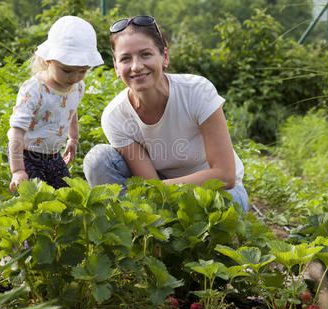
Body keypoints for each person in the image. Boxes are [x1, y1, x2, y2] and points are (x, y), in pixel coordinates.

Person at [82, 15, 249, 211]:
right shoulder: (116, 116)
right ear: (117, 67)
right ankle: (135, 229)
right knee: (99, 159)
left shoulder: (196, 91)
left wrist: (159, 190)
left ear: (165, 57)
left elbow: (225, 175)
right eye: (126, 58)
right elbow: (151, 184)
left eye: (146, 54)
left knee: (224, 207)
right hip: (164, 188)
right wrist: (157, 193)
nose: (136, 66)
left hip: (218, 191)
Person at [8, 16, 104, 192]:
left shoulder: (76, 87)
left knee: (67, 195)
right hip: (28, 156)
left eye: (82, 71)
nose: (74, 77)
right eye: (67, 70)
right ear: (48, 60)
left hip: (54, 156)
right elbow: (16, 131)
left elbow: (71, 109)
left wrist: (73, 138)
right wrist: (18, 170)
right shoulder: (34, 90)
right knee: (37, 198)